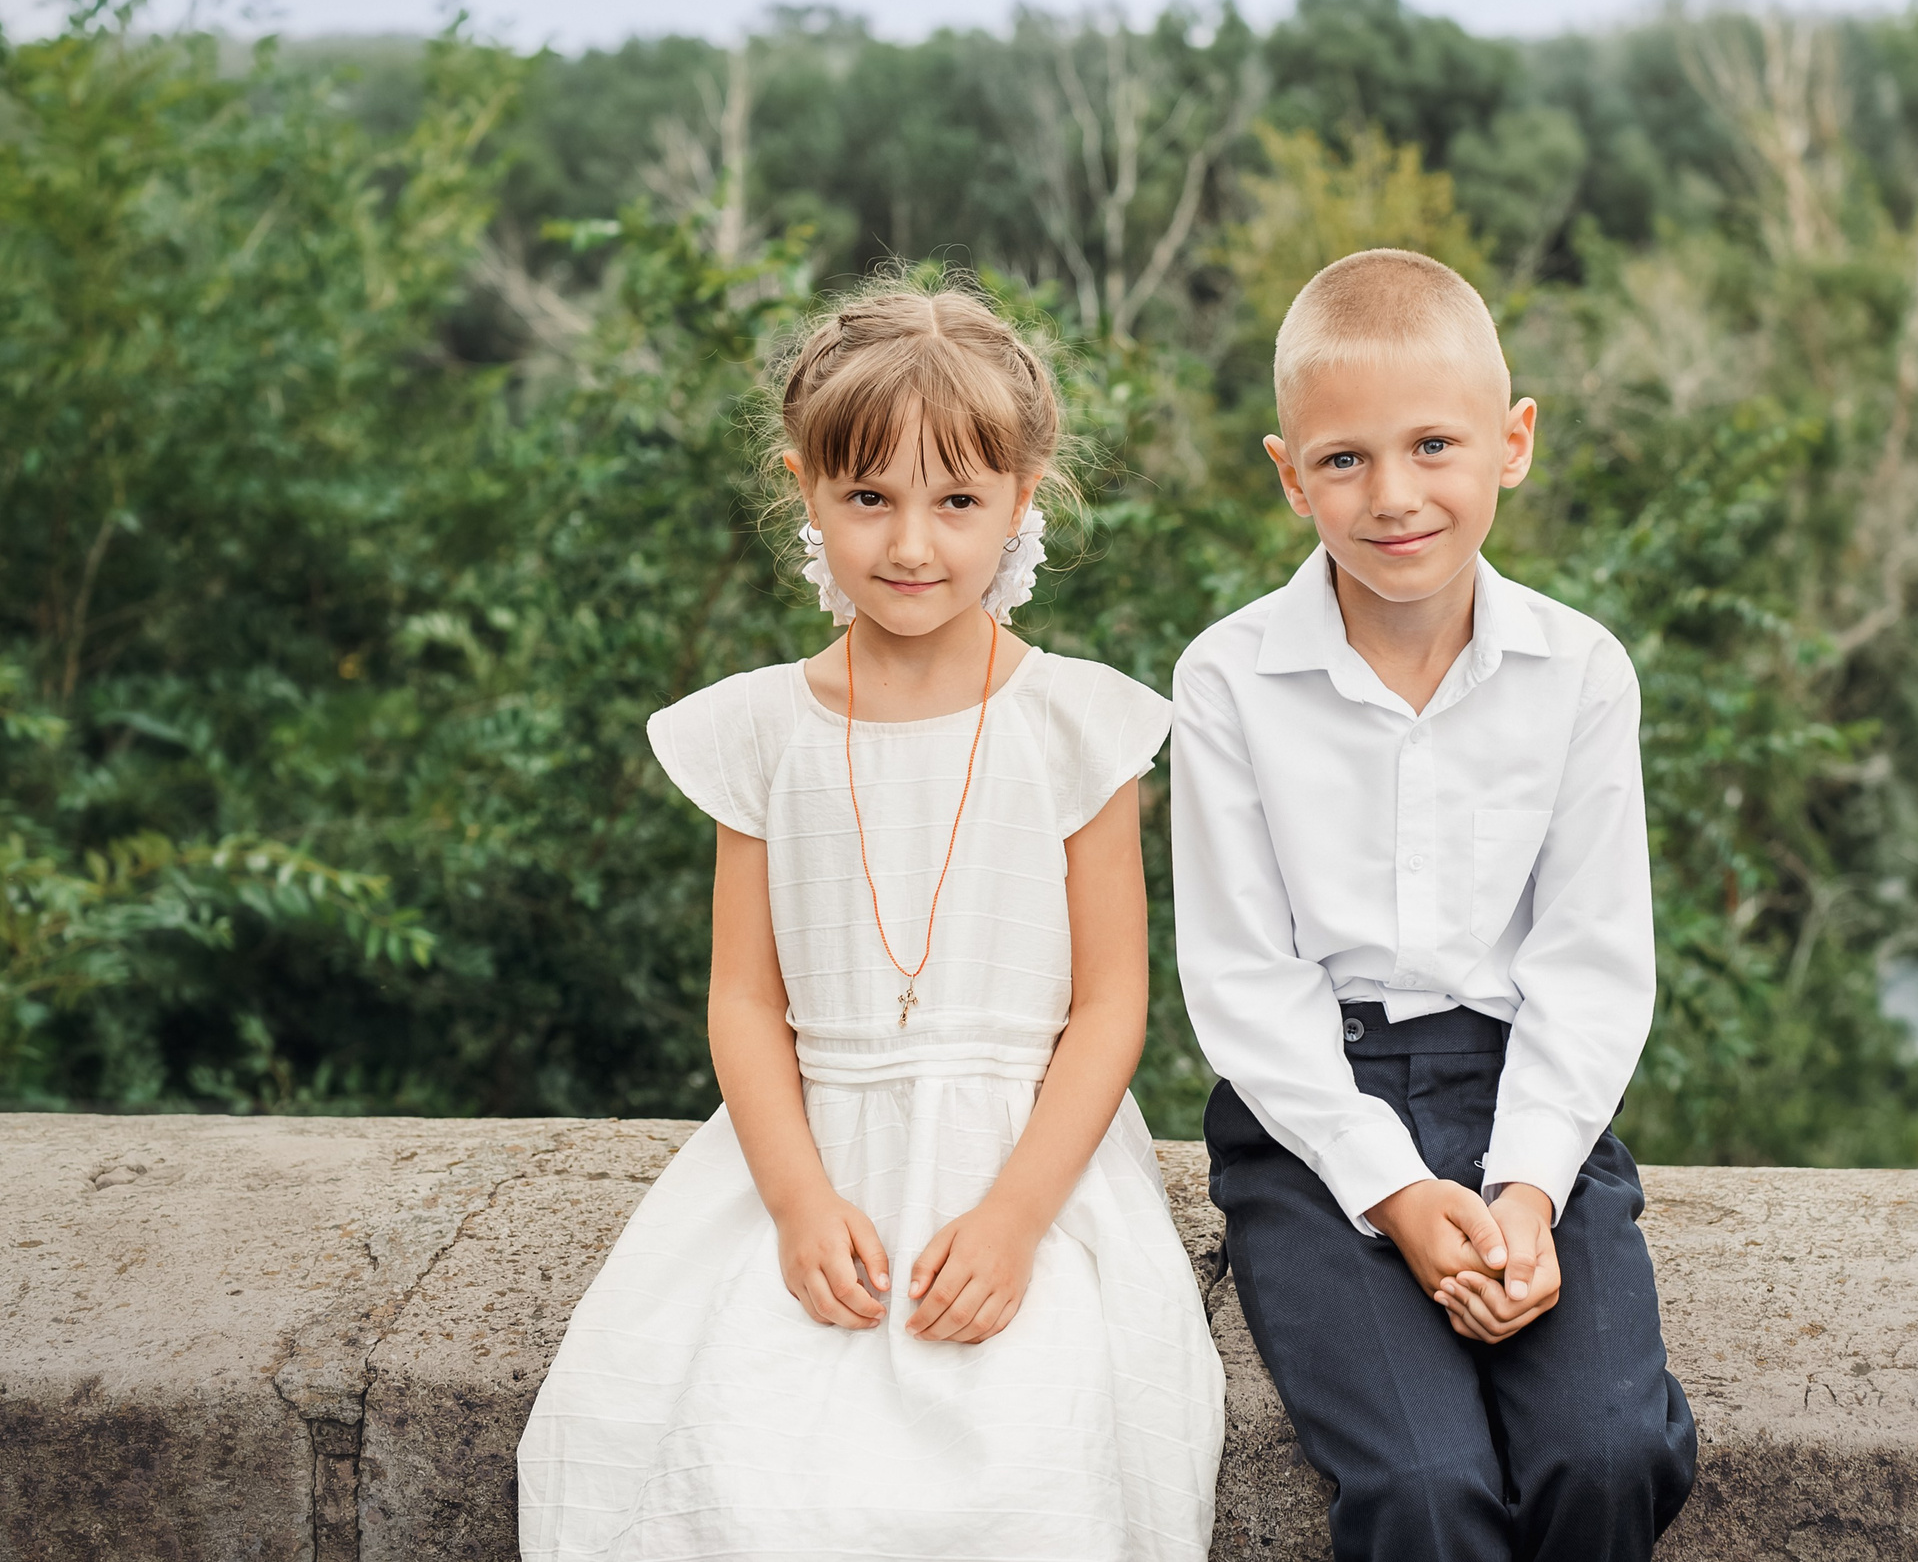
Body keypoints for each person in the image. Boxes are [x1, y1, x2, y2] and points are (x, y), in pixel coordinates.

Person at [518, 278, 1224, 1562]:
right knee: (723, 1456)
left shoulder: (1078, 723)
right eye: (869, 498)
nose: (913, 542)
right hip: (809, 1152)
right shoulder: (759, 730)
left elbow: (1111, 1003)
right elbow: (743, 998)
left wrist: (1012, 1220)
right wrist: (795, 1200)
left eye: (957, 500)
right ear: (806, 488)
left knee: (1032, 1463)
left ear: (1024, 492)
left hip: (1028, 1164)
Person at [1172, 248, 1696, 1561]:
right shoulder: (1231, 678)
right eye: (1343, 460)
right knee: (1420, 1482)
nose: (1393, 495)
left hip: (1524, 1097)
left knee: (1610, 1445)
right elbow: (1244, 977)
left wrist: (1525, 1188)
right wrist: (1396, 1191)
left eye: (1433, 446)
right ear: (1289, 475)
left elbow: (1589, 960)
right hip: (1312, 1122)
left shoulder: (1578, 672)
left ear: (1512, 444)